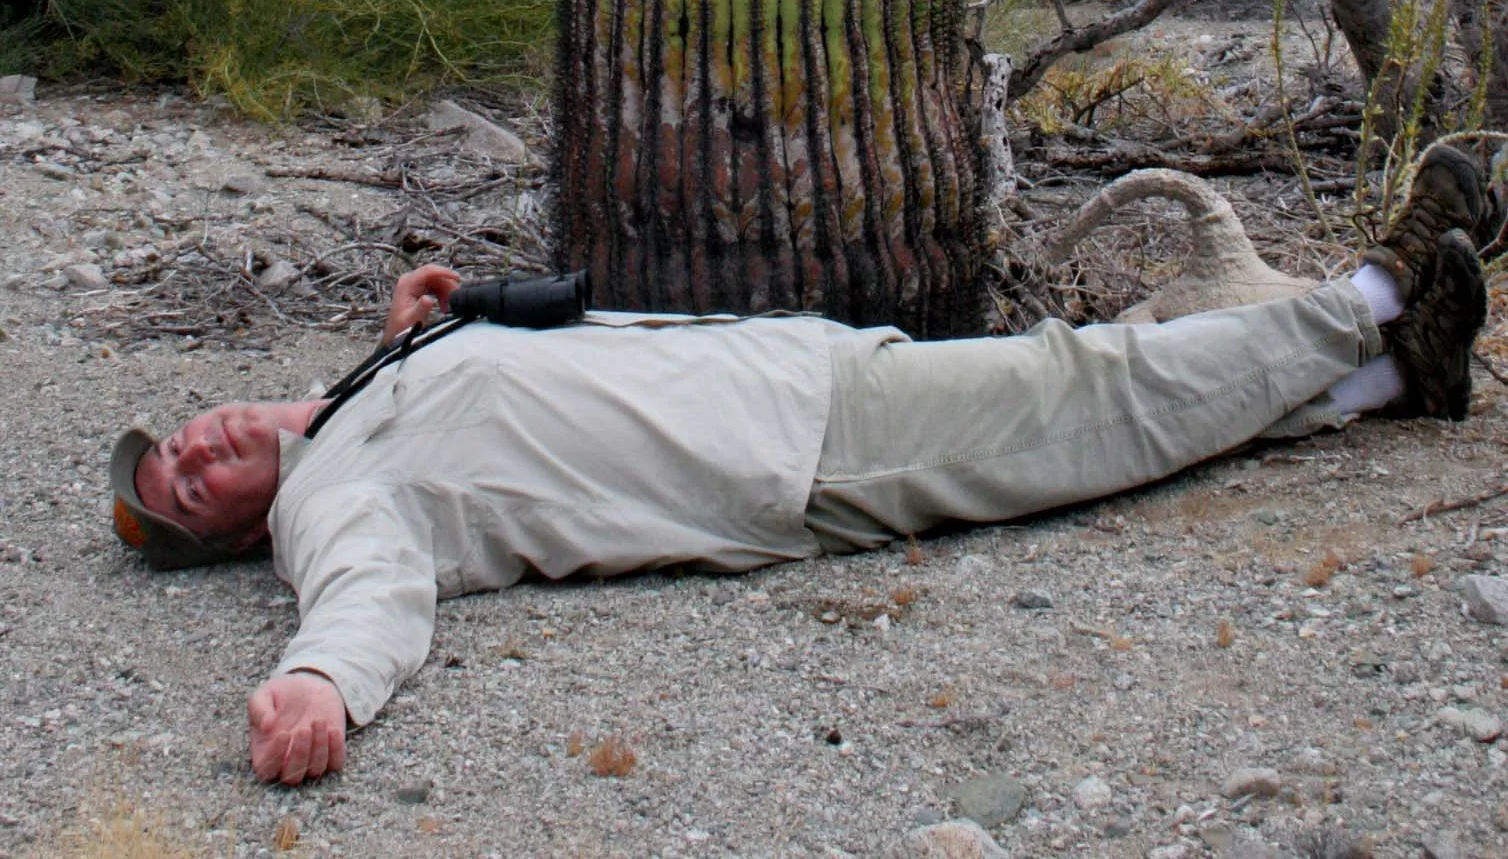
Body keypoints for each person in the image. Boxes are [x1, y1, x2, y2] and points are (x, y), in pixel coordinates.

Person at [109, 143, 1493, 788]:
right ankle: (1367, 300)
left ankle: (1384, 383)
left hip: (794, 376)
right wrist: (314, 683)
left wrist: (405, 338)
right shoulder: (336, 501)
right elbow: (366, 591)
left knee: (1087, 408)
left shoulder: (360, 400)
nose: (201, 448)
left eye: (179, 436)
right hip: (797, 458)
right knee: (1090, 389)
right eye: (191, 488)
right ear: (239, 536)